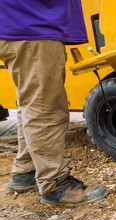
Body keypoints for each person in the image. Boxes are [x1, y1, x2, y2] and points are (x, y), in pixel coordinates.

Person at [0, 0, 107, 206]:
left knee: (33, 102)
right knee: (45, 107)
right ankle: (54, 184)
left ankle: (26, 170)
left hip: (22, 23)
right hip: (31, 23)